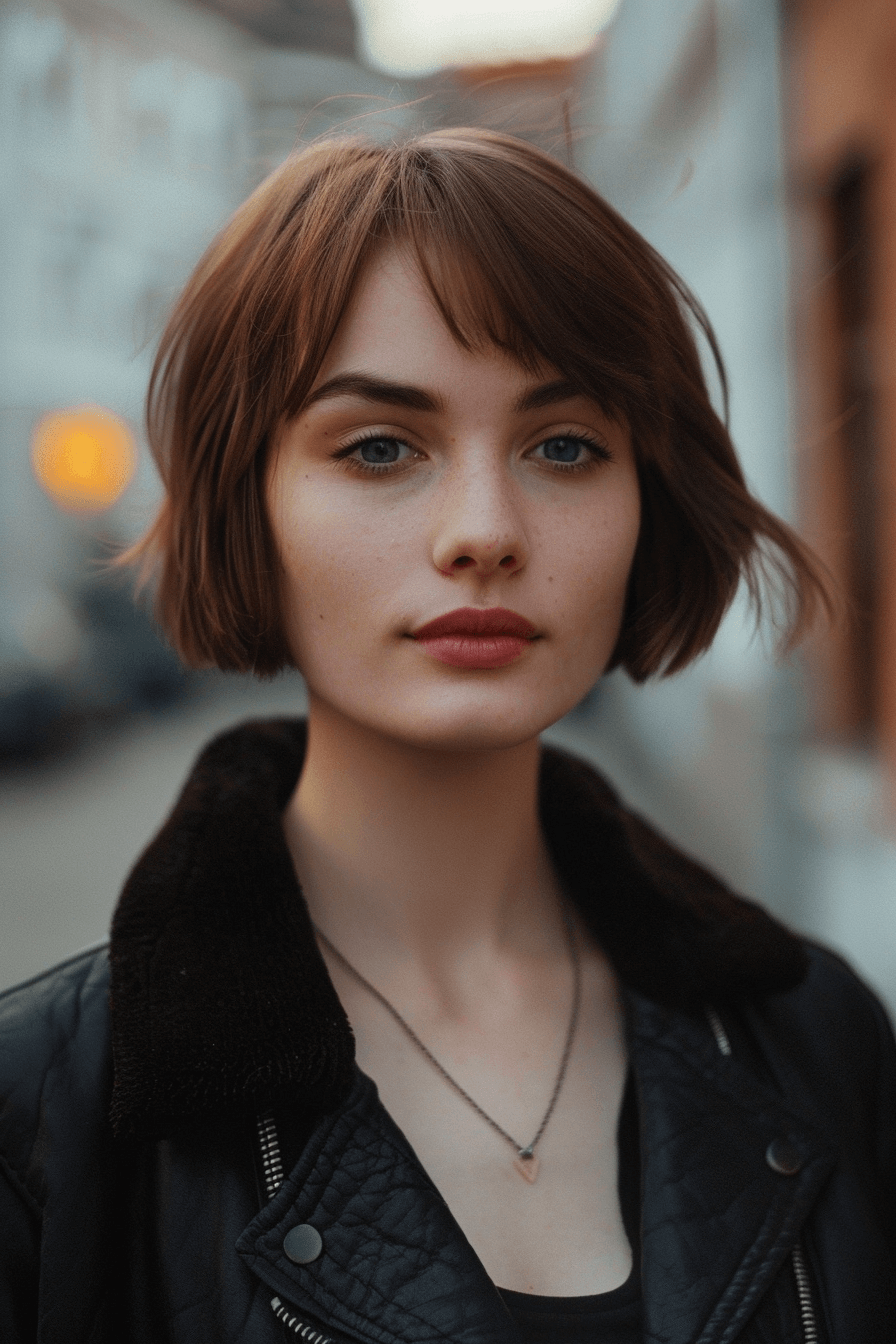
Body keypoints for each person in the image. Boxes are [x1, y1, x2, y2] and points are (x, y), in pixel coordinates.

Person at [1, 128, 894, 1344]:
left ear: (649, 502)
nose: (483, 529)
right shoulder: (42, 1111)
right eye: (379, 447)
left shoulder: (818, 1034)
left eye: (564, 445)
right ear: (245, 502)